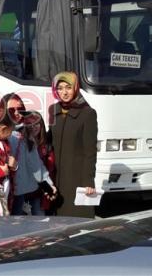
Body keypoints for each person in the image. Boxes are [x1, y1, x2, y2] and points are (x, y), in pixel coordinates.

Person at [49, 71, 98, 218]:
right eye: (60, 88)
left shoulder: (87, 113)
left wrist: (88, 180)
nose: (64, 92)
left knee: (76, 217)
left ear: (75, 88)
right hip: (55, 175)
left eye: (68, 87)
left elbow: (90, 152)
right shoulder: (53, 110)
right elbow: (49, 139)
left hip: (75, 176)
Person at [8, 112, 57, 216]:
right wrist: (48, 186)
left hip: (19, 190)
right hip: (19, 191)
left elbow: (38, 166)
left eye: (36, 124)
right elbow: (36, 167)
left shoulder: (15, 136)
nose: (33, 127)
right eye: (30, 124)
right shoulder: (23, 140)